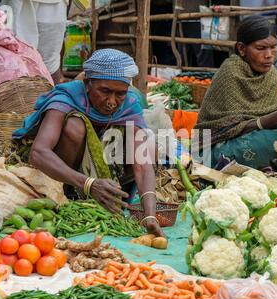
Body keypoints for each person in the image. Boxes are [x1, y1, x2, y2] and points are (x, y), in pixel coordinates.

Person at [13, 49, 165, 238]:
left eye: (120, 94)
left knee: (145, 138)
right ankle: (67, 196)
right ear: (87, 84)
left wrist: (149, 216)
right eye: (105, 91)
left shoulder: (129, 103)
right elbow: (39, 153)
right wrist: (88, 184)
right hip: (62, 172)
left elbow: (143, 163)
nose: (111, 102)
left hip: (106, 172)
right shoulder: (66, 97)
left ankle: (113, 194)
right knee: (74, 127)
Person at [194, 16, 277, 173]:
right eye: (261, 48)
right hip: (218, 147)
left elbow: (275, 117)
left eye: (273, 47)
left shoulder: (272, 74)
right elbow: (225, 129)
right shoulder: (230, 73)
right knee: (258, 146)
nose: (269, 55)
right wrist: (274, 118)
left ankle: (268, 168)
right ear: (242, 49)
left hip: (258, 136)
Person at [1, 0, 69, 84]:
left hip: (53, 7)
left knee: (49, 63)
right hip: (21, 5)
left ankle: (51, 95)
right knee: (16, 60)